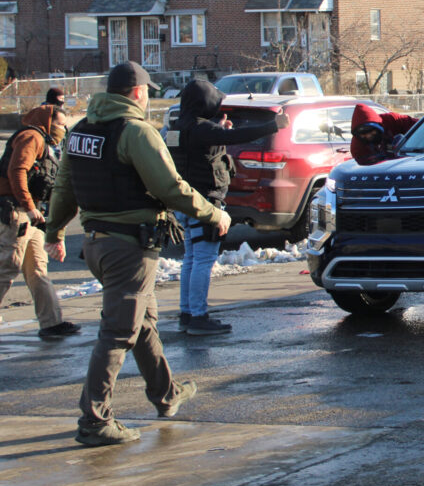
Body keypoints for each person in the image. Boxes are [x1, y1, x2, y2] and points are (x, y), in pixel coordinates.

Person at [44, 61, 232, 448]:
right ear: (137, 93)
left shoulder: (80, 131)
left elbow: (64, 188)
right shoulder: (135, 132)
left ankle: (166, 394)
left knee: (143, 322)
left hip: (96, 243)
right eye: (147, 91)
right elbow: (171, 188)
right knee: (118, 332)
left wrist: (55, 231)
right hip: (128, 247)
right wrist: (215, 213)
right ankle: (94, 421)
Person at [167, 80, 288, 335]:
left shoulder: (177, 128)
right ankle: (198, 316)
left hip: (186, 202)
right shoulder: (201, 129)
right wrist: (272, 126)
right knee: (203, 260)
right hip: (205, 203)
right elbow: (234, 137)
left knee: (191, 258)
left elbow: (204, 147)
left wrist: (218, 129)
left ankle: (187, 313)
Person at [0, 105, 79, 339]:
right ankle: (51, 322)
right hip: (17, 213)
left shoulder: (41, 140)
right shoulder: (31, 137)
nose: (63, 129)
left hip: (30, 216)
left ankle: (51, 322)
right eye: (59, 124)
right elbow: (17, 171)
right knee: (7, 267)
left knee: (37, 268)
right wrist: (30, 207)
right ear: (47, 122)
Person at [350, 103, 418, 165]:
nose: (368, 135)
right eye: (363, 133)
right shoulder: (357, 148)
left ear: (379, 126)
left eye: (371, 131)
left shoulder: (393, 120)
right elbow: (366, 167)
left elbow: (422, 127)